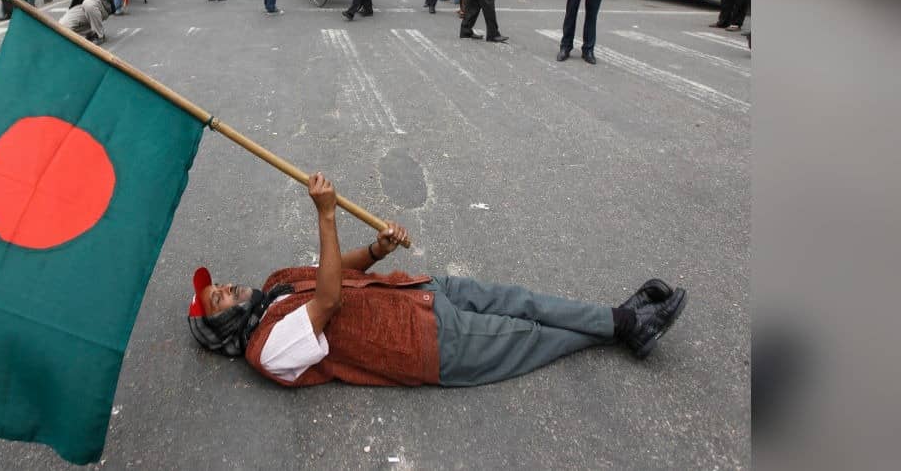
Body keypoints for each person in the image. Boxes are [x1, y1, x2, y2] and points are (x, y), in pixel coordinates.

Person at [187, 172, 689, 388]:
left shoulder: (275, 283)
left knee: (523, 302)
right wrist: (327, 216)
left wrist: (377, 250)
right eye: (218, 299)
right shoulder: (266, 351)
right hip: (423, 343)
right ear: (223, 326)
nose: (226, 288)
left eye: (219, 285)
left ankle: (620, 319)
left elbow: (335, 273)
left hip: (416, 293)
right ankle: (626, 325)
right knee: (528, 337)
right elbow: (329, 301)